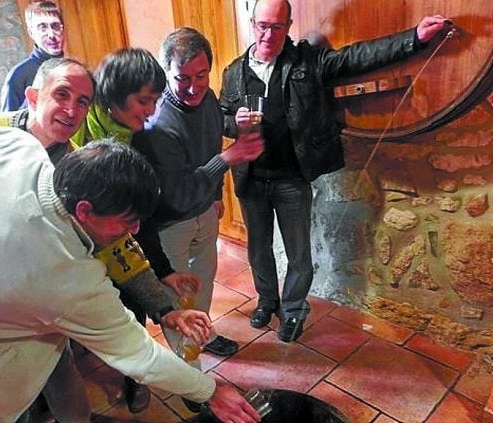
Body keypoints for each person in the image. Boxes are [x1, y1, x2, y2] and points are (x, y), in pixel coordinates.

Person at [0, 123, 261, 423]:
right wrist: (211, 391)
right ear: (84, 211)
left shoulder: (9, 144)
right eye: (127, 221)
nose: (133, 230)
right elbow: (138, 354)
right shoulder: (64, 275)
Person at [0, 56, 211, 416]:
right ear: (34, 96)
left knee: (58, 372)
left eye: (82, 101)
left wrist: (162, 308)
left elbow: (118, 242)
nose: (72, 110)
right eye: (62, 95)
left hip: (43, 296)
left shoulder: (74, 162)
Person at [219, 0, 452, 342]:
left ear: (289, 26)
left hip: (292, 178)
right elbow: (221, 117)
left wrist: (414, 38)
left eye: (277, 27)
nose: (268, 35)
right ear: (252, 23)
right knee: (258, 250)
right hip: (251, 178)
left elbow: (358, 57)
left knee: (299, 253)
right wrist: (233, 122)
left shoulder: (307, 62)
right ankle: (266, 301)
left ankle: (293, 310)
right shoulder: (233, 72)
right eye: (262, 26)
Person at [131, 27, 264, 412]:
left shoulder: (207, 101)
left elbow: (208, 144)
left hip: (204, 212)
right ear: (166, 73)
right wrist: (228, 158)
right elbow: (176, 193)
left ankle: (201, 338)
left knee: (201, 289)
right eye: (182, 78)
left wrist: (215, 196)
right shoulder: (158, 123)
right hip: (170, 225)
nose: (193, 87)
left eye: (202, 75)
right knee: (178, 300)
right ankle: (191, 382)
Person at [71, 47, 204, 413]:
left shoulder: (140, 140)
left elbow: (139, 222)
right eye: (144, 101)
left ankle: (134, 379)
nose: (150, 111)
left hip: (115, 249)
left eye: (155, 101)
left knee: (130, 308)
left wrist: (163, 272)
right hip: (76, 253)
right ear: (114, 96)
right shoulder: (74, 135)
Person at [0, 1, 65, 111]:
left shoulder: (72, 71)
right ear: (31, 33)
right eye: (43, 28)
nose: (51, 35)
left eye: (55, 26)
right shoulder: (18, 76)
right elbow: (8, 120)